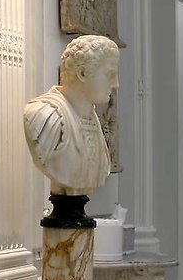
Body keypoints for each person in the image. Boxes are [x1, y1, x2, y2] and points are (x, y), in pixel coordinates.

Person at [23, 34, 118, 195]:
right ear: (82, 73)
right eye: (110, 75)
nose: (116, 84)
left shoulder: (92, 119)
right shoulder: (46, 117)